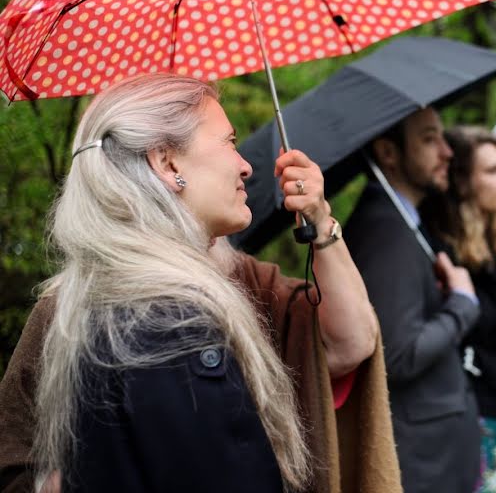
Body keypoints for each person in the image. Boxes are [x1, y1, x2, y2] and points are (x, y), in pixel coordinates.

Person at [0, 74, 400, 493]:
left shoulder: (244, 281)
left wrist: (319, 220)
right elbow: (13, 462)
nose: (246, 165)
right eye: (229, 142)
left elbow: (350, 344)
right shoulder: (72, 308)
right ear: (168, 163)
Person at [343, 108, 482, 493]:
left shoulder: (404, 223)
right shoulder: (386, 231)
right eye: (428, 139)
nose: (447, 152)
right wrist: (462, 305)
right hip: (423, 463)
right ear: (388, 152)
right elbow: (398, 355)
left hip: (438, 456)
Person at [420, 126, 496, 493]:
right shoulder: (442, 254)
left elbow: (487, 335)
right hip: (465, 424)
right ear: (462, 181)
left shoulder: (489, 251)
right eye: (492, 171)